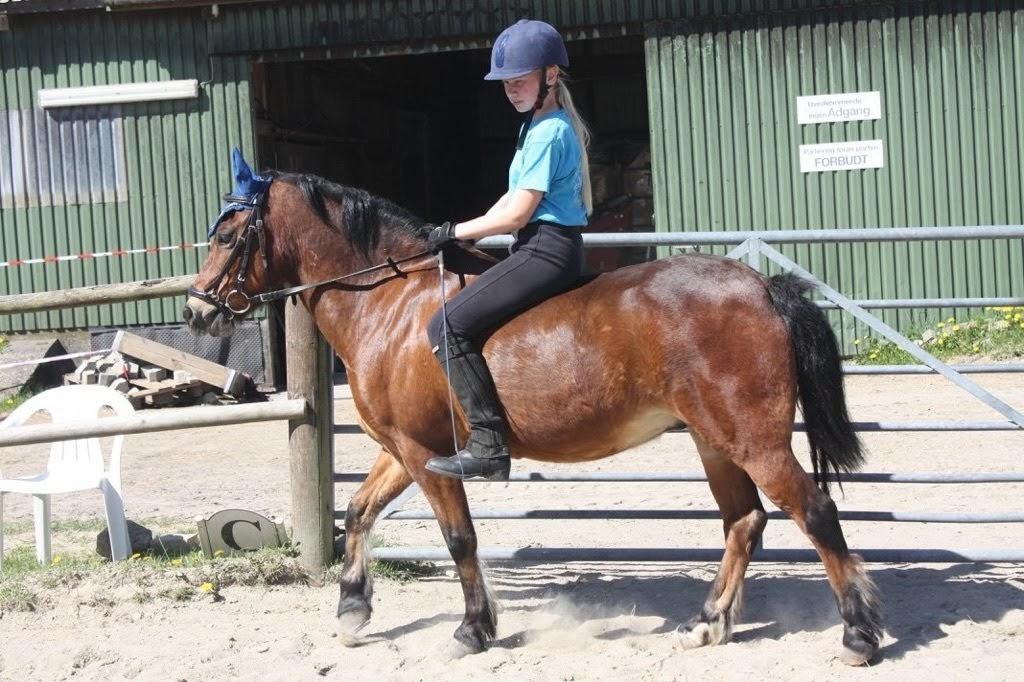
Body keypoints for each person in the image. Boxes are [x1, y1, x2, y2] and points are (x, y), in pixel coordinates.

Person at [424, 19, 593, 481]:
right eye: (505, 83)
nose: (511, 90)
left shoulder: (549, 131)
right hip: (537, 246)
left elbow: (518, 214)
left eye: (520, 80)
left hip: (546, 250)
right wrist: (466, 233)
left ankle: (487, 444)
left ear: (550, 75)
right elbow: (510, 198)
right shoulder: (533, 127)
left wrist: (455, 230)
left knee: (446, 324)